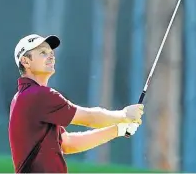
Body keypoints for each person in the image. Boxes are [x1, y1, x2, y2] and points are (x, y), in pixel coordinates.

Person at [8, 34, 144, 173]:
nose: (51, 56)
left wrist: (118, 129)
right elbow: (88, 118)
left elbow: (68, 143)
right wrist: (124, 115)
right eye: (43, 53)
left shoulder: (25, 97)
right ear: (25, 61)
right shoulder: (37, 95)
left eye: (51, 53)